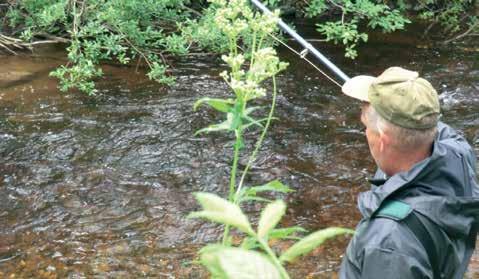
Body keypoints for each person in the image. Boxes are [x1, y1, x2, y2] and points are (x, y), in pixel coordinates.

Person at [338, 67, 479, 278]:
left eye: (365, 126)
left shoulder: (388, 242)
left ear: (383, 139)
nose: (366, 132)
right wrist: (403, 102)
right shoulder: (458, 152)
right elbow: (426, 123)